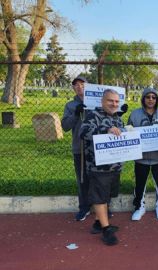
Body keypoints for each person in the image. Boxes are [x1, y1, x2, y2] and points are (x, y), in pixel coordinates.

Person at [80, 89, 124, 246]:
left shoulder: (118, 118)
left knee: (107, 195)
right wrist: (105, 130)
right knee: (100, 196)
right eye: (110, 101)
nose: (114, 104)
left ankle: (98, 223)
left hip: (115, 165)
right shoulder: (92, 116)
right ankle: (106, 230)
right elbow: (83, 132)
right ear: (102, 101)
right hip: (99, 167)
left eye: (117, 101)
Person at [127, 88, 158, 221]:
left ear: (157, 100)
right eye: (148, 97)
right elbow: (129, 132)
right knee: (140, 184)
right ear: (143, 99)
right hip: (141, 158)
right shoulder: (134, 114)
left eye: (153, 97)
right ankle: (139, 207)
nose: (151, 99)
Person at [61, 76, 91, 221]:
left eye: (82, 84)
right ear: (73, 88)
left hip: (97, 148)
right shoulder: (70, 105)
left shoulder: (98, 102)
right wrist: (75, 114)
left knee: (99, 179)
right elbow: (65, 126)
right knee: (82, 179)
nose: (79, 87)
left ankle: (103, 207)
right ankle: (84, 207)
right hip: (79, 148)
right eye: (76, 85)